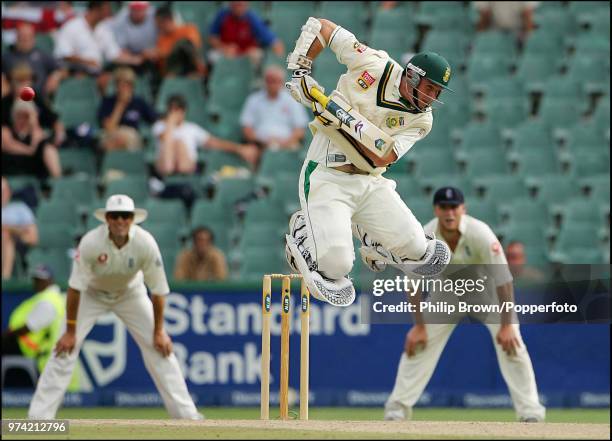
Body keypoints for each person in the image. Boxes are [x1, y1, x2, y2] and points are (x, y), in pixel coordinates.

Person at [283, 17, 452, 307]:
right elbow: (323, 27)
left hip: (370, 181)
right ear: (412, 75)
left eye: (437, 93)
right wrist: (301, 70)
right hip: (327, 174)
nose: (432, 98)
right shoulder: (375, 64)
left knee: (418, 250)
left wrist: (330, 109)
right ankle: (304, 232)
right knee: (336, 269)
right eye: (430, 88)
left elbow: (381, 154)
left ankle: (373, 240)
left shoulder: (423, 120)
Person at [27, 194, 203, 420]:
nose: (120, 221)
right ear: (107, 219)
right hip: (92, 294)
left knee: (161, 348)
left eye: (125, 216)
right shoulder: (91, 242)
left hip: (131, 293)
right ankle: (39, 419)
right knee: (64, 349)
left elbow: (158, 291)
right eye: (115, 216)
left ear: (132, 219)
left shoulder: (145, 243)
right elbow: (74, 288)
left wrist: (159, 331)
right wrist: (70, 332)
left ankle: (187, 416)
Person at [382, 186, 546, 422]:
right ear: (436, 210)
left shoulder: (480, 233)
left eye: (454, 207)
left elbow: (504, 280)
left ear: (463, 209)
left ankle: (531, 413)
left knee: (513, 344)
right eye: (444, 207)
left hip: (485, 291)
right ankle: (396, 410)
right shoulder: (425, 236)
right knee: (418, 344)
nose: (449, 213)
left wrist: (507, 325)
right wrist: (419, 326)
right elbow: (413, 284)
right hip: (445, 294)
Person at [2, 264, 79, 390]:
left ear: (50, 280)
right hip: (51, 355)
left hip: (47, 356)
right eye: (35, 279)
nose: (36, 283)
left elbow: (29, 327)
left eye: (40, 280)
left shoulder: (48, 301)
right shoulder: (53, 297)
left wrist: (7, 334)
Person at [152, 94, 259, 177]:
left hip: (186, 167)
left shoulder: (192, 128)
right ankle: (169, 176)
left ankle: (181, 176)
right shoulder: (160, 126)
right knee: (174, 143)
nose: (175, 113)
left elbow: (214, 143)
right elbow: (164, 138)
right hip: (166, 166)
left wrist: (239, 148)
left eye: (178, 110)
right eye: (172, 110)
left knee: (180, 144)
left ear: (184, 111)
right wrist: (171, 122)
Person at [54, 1, 142, 76]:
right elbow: (64, 55)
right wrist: (88, 62)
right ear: (96, 9)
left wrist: (136, 59)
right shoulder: (71, 26)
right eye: (106, 8)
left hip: (97, 75)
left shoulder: (104, 29)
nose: (109, 11)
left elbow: (114, 55)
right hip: (73, 73)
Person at [240, 64, 308, 154]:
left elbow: (300, 130)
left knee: (296, 151)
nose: (272, 84)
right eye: (269, 81)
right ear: (265, 81)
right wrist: (262, 142)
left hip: (287, 144)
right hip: (259, 145)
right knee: (249, 152)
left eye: (275, 81)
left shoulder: (292, 100)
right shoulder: (254, 100)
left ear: (281, 82)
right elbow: (246, 129)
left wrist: (284, 143)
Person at [2, 63, 66, 148]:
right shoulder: (5, 102)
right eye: (19, 82)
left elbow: (53, 119)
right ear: (12, 83)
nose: (23, 86)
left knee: (46, 146)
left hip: (36, 141)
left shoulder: (36, 99)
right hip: (13, 144)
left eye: (26, 81)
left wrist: (59, 133)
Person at [98, 67, 158, 151]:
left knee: (126, 138)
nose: (124, 88)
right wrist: (120, 105)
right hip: (111, 134)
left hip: (131, 135)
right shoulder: (108, 102)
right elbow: (109, 128)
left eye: (128, 84)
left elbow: (154, 118)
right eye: (121, 84)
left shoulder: (138, 102)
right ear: (116, 85)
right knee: (114, 141)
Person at [1, 99, 62, 179]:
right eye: (19, 115)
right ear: (14, 115)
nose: (22, 119)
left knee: (48, 149)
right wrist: (30, 149)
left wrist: (33, 124)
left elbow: (40, 143)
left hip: (32, 172)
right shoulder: (6, 130)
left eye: (26, 116)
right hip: (10, 171)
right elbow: (8, 145)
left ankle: (58, 180)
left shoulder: (36, 133)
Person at [208, 1, 285, 65]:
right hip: (227, 51)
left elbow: (275, 42)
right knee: (212, 56)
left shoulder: (251, 18)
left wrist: (279, 62)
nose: (238, 6)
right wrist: (224, 47)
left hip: (246, 53)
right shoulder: (222, 15)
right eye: (236, 4)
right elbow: (212, 38)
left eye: (241, 4)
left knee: (256, 55)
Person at [2, 22, 65, 97]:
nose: (25, 39)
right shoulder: (7, 56)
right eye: (22, 36)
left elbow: (62, 67)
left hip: (37, 98)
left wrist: (55, 76)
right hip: (13, 98)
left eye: (29, 36)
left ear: (34, 37)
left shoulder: (42, 56)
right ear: (17, 37)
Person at [153, 4, 207, 78]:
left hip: (191, 68)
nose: (158, 27)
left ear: (167, 21)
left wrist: (164, 52)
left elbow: (192, 45)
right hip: (172, 72)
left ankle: (197, 72)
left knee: (184, 44)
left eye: (159, 23)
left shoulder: (188, 29)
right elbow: (162, 57)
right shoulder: (162, 39)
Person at [2, 177, 38, 280]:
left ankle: (4, 281)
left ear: (9, 192)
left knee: (6, 236)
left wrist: (8, 230)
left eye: (3, 190)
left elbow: (33, 238)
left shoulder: (20, 208)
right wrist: (15, 229)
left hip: (19, 245)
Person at [110, 1, 158, 73]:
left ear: (147, 8)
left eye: (140, 9)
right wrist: (137, 58)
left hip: (153, 55)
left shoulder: (156, 15)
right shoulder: (120, 20)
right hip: (132, 56)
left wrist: (151, 53)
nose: (137, 12)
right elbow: (122, 49)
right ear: (129, 8)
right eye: (134, 9)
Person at [474, 1, 539, 46]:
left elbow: (527, 15)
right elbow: (485, 16)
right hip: (494, 32)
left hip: (519, 33)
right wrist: (480, 41)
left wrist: (529, 42)